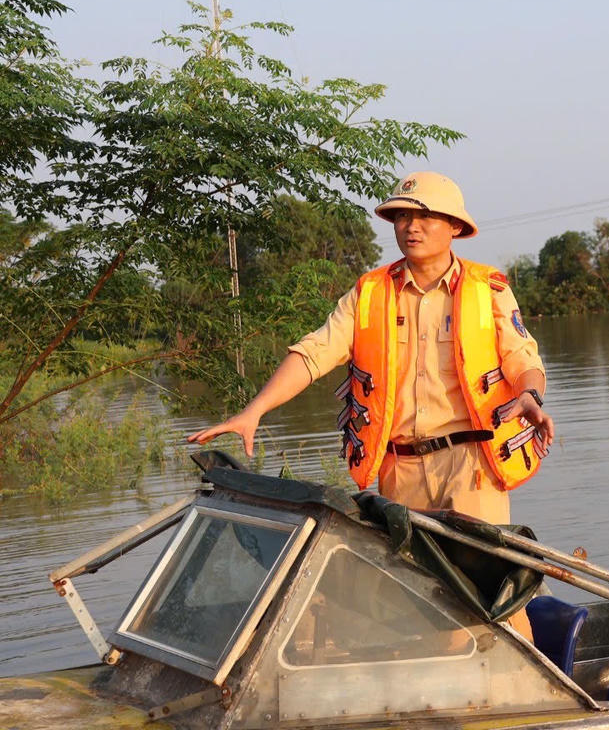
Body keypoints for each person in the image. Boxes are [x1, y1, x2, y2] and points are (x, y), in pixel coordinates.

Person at [188, 171, 554, 525]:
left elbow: (522, 357)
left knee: (480, 579)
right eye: (402, 216)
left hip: (472, 463)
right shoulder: (370, 294)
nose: (412, 226)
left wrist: (530, 396)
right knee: (410, 583)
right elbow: (314, 353)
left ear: (455, 226)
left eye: (425, 215)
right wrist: (255, 410)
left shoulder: (487, 290)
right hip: (400, 469)